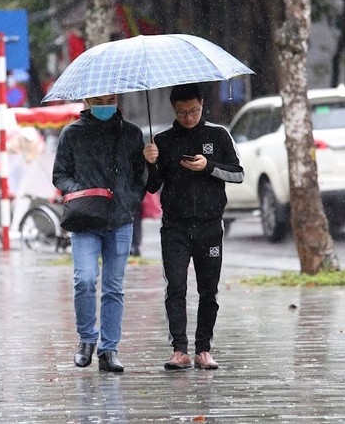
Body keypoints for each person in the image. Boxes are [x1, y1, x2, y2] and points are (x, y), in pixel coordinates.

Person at [143, 83, 244, 371]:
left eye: (194, 111)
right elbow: (152, 188)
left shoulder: (218, 135)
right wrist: (150, 162)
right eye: (182, 112)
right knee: (175, 287)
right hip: (174, 226)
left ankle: (204, 349)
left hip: (210, 226)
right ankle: (179, 349)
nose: (189, 117)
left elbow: (237, 174)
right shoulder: (163, 139)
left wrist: (208, 165)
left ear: (202, 104)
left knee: (208, 289)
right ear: (173, 109)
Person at [52, 94, 146, 373]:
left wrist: (131, 195)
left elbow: (141, 177)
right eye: (99, 99)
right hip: (85, 220)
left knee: (113, 287)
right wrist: (82, 192)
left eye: (111, 99)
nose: (106, 104)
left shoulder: (131, 133)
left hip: (120, 220)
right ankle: (86, 339)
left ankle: (109, 349)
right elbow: (60, 175)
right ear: (87, 100)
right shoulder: (72, 134)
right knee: (84, 279)